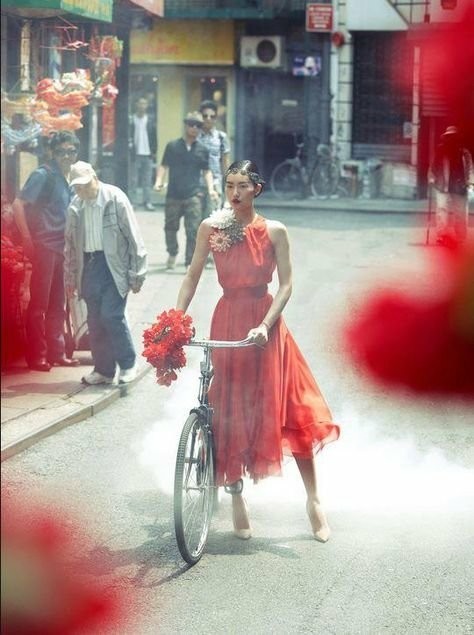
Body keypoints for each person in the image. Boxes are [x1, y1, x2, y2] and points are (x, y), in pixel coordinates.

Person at [175, 160, 340, 542]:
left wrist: (265, 325)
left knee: (291, 408)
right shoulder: (211, 228)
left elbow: (286, 286)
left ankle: (314, 499)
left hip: (265, 325)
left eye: (242, 186)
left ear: (257, 189)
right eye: (230, 185)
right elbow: (192, 275)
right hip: (228, 317)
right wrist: (175, 319)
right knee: (229, 409)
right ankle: (236, 497)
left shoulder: (275, 232)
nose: (234, 193)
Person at [64, 162, 147, 385]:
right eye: (77, 187)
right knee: (94, 320)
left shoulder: (114, 198)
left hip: (114, 265)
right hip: (88, 265)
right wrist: (70, 278)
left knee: (111, 315)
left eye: (84, 185)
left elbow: (133, 236)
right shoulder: (76, 205)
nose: (81, 191)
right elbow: (70, 246)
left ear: (94, 177)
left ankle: (128, 364)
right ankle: (103, 370)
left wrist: (137, 273)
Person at [12, 131, 81, 371]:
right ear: (53, 152)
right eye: (61, 151)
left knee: (58, 305)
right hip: (44, 246)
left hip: (62, 249)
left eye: (71, 151)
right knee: (39, 305)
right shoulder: (43, 175)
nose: (66, 156)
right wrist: (28, 238)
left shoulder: (69, 177)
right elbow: (18, 204)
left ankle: (57, 352)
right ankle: (37, 356)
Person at [154, 111, 219, 271]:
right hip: (174, 195)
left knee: (193, 230)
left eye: (198, 126)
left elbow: (206, 171)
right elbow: (164, 165)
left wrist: (211, 189)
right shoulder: (173, 146)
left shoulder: (202, 149)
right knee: (170, 227)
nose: (194, 128)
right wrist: (158, 181)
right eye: (191, 125)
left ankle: (189, 261)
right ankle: (172, 253)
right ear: (186, 126)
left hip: (193, 194)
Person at [429, 125, 473, 246]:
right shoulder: (440, 150)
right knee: (441, 210)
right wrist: (432, 177)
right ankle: (441, 235)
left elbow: (470, 169)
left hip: (459, 187)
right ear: (446, 138)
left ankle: (461, 237)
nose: (452, 139)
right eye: (449, 137)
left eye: (454, 137)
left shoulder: (464, 153)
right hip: (443, 185)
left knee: (460, 213)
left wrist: (470, 183)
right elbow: (433, 166)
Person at [198, 99, 231, 220]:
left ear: (216, 118)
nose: (208, 119)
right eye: (205, 116)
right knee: (195, 223)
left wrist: (228, 196)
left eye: (212, 116)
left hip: (216, 183)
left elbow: (225, 165)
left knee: (213, 222)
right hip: (196, 184)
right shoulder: (194, 136)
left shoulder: (221, 137)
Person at [129, 97, 157, 211]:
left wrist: (154, 151)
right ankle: (132, 202)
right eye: (140, 103)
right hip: (135, 154)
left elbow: (154, 137)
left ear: (147, 106)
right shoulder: (132, 119)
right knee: (133, 180)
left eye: (144, 103)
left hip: (148, 153)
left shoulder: (150, 120)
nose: (142, 106)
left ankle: (147, 202)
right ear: (136, 105)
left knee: (147, 180)